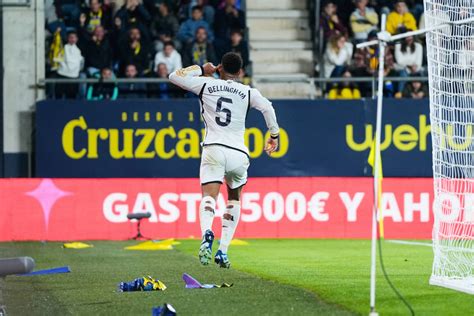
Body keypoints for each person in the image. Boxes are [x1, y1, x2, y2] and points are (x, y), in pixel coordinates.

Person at [169, 52, 280, 268]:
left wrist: (202, 69)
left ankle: (206, 234)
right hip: (238, 153)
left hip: (214, 148)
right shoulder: (248, 92)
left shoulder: (205, 85)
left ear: (220, 68)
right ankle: (223, 251)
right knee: (234, 198)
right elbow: (268, 108)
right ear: (240, 72)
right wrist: (274, 135)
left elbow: (174, 76)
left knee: (209, 197)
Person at [55, 31, 84, 99]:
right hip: (62, 75)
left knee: (71, 98)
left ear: (77, 39)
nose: (72, 39)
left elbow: (80, 63)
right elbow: (58, 59)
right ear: (67, 38)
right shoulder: (62, 48)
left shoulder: (79, 50)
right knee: (58, 97)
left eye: (74, 37)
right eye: (70, 37)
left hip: (73, 77)